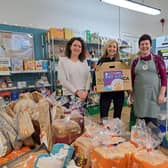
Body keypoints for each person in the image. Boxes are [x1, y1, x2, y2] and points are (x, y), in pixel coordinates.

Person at [131, 34, 167, 125]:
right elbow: (131, 79)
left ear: (150, 45)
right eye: (142, 44)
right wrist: (131, 94)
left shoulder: (158, 59)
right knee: (140, 125)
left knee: (152, 125)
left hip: (153, 97)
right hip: (139, 98)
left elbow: (164, 78)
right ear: (139, 46)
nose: (144, 46)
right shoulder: (135, 62)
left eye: (146, 44)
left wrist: (162, 94)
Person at [92, 39, 125, 121]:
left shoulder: (120, 62)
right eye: (110, 46)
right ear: (106, 48)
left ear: (117, 49)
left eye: (114, 47)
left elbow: (125, 75)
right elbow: (96, 73)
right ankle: (104, 131)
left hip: (118, 91)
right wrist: (94, 84)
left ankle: (116, 130)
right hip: (105, 91)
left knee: (117, 114)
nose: (112, 49)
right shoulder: (101, 61)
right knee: (104, 113)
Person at [57, 37, 90, 102]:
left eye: (79, 46)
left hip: (83, 95)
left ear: (82, 49)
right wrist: (77, 92)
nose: (77, 48)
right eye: (75, 45)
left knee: (82, 112)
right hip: (69, 95)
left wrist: (86, 91)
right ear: (70, 47)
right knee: (70, 112)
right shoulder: (62, 61)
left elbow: (88, 78)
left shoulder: (84, 61)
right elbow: (62, 80)